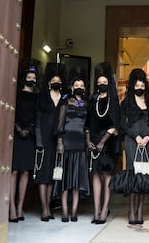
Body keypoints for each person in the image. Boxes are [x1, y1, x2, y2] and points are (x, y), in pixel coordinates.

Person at [85, 62, 121, 224]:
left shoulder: (113, 100)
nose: (101, 85)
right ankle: (96, 210)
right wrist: (88, 140)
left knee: (107, 176)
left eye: (104, 83)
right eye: (99, 83)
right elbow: (87, 122)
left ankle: (105, 209)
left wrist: (102, 141)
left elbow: (115, 124)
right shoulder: (92, 99)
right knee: (95, 176)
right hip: (93, 143)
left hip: (108, 143)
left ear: (109, 84)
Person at [119, 68, 149, 225]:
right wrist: (136, 136)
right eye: (137, 85)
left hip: (147, 142)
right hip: (131, 140)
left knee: (144, 174)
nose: (140, 88)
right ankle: (131, 209)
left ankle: (141, 208)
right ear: (132, 86)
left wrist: (148, 137)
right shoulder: (125, 103)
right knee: (133, 174)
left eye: (142, 86)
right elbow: (122, 125)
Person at [53, 78, 90, 222]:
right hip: (67, 143)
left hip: (80, 144)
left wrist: (87, 142)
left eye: (82, 85)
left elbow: (87, 126)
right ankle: (64, 212)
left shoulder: (87, 104)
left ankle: (74, 212)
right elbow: (60, 125)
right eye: (76, 85)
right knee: (65, 180)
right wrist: (60, 142)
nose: (79, 87)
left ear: (85, 88)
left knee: (76, 180)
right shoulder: (65, 102)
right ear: (72, 87)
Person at [34, 72, 66, 221]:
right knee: (43, 175)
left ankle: (48, 205)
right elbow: (38, 119)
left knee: (53, 175)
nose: (56, 82)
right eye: (54, 80)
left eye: (58, 80)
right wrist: (39, 141)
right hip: (44, 139)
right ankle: (44, 208)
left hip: (58, 140)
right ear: (48, 83)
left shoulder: (64, 99)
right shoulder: (43, 97)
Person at [9, 66, 38, 222]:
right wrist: (18, 128)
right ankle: (12, 207)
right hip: (16, 134)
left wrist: (28, 130)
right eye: (29, 77)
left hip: (30, 135)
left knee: (26, 172)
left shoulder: (37, 97)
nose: (32, 80)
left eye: (34, 78)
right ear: (24, 78)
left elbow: (37, 116)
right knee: (14, 171)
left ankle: (20, 206)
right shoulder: (16, 94)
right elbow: (11, 111)